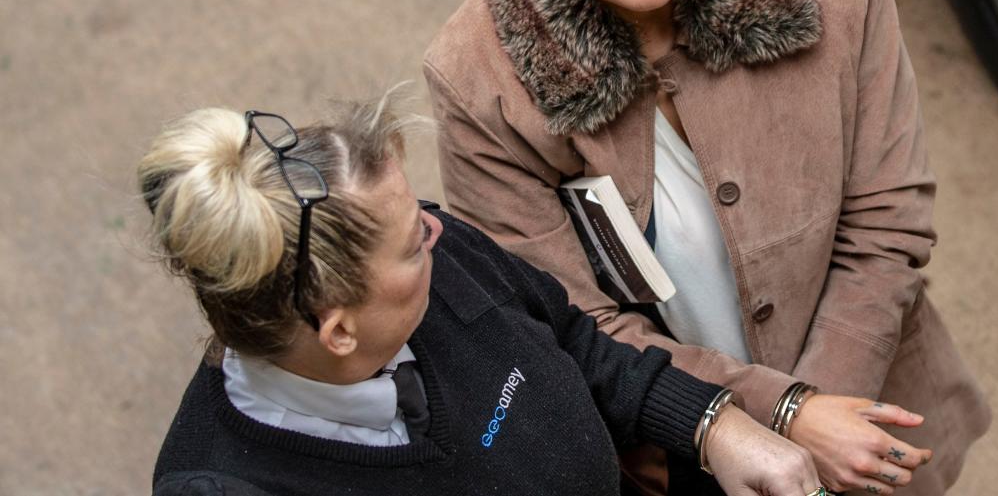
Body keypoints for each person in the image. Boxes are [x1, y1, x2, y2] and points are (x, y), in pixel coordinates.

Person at [422, 0, 991, 496]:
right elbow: (569, 319)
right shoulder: (478, 79)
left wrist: (824, 419)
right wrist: (782, 417)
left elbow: (886, 220)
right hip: (680, 454)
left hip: (872, 423)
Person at [139, 95, 925, 496]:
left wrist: (719, 427)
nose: (439, 233)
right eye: (411, 242)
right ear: (338, 330)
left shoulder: (445, 264)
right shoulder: (222, 485)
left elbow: (578, 347)